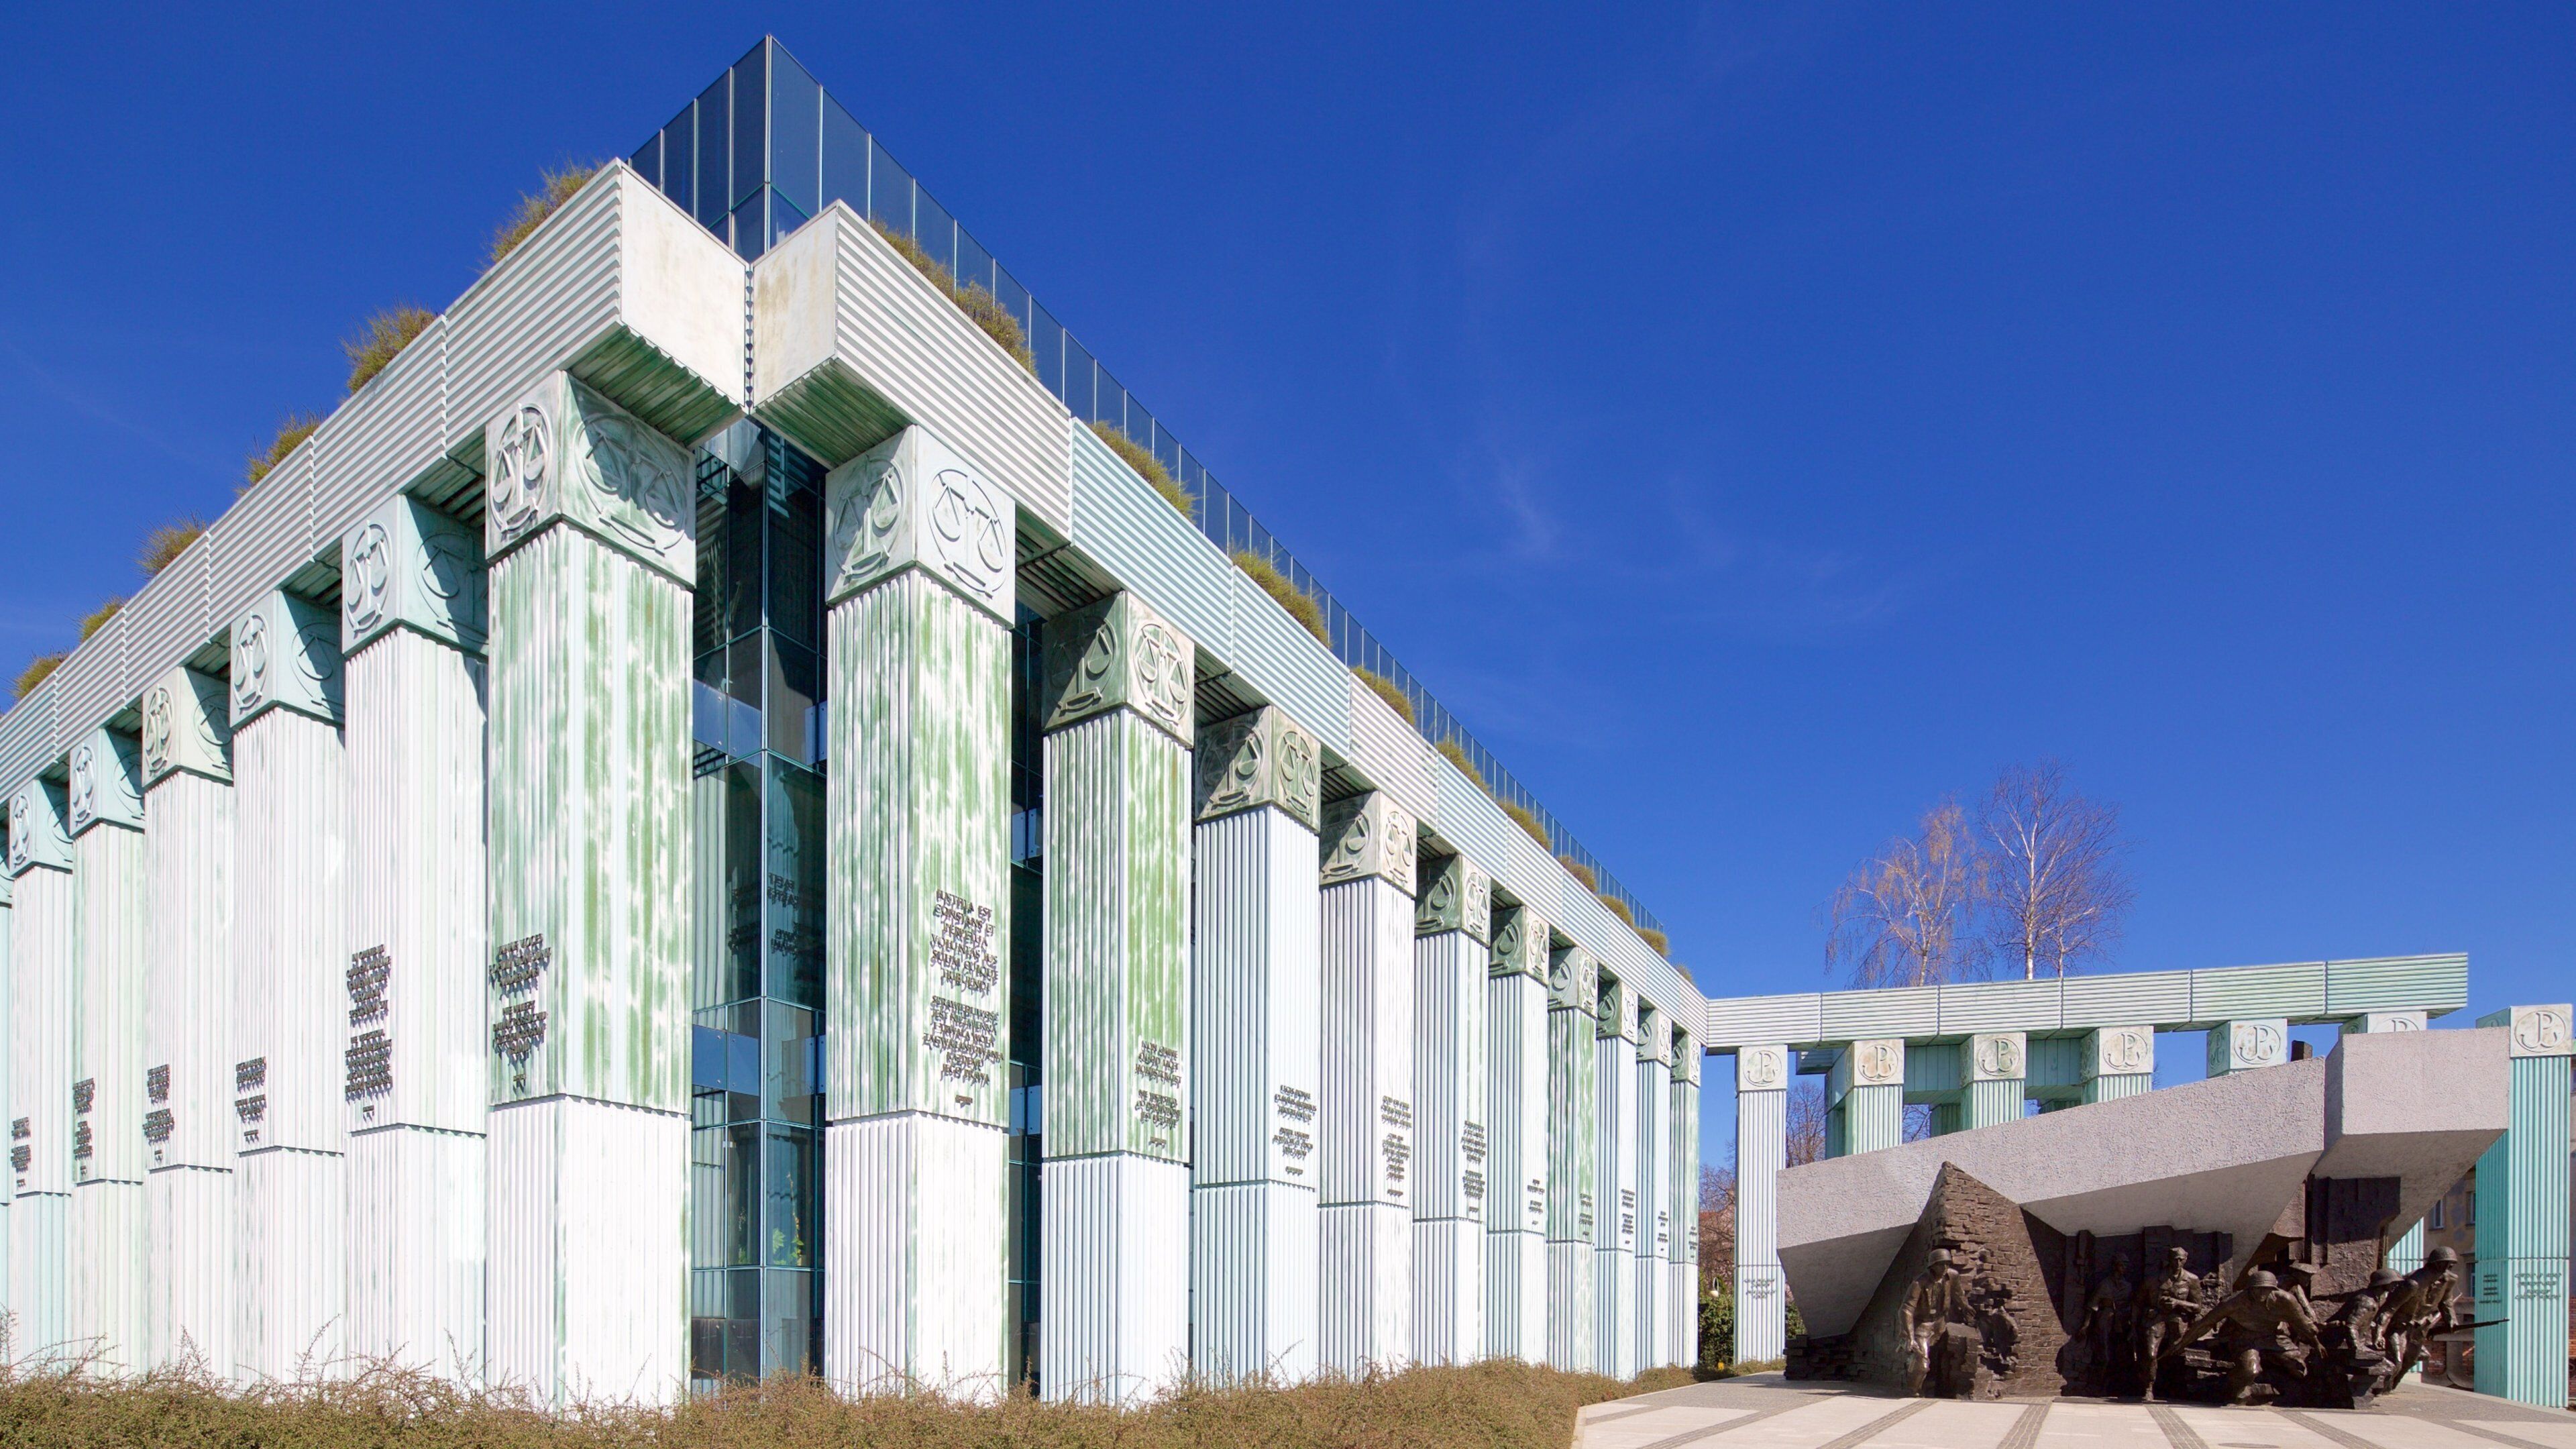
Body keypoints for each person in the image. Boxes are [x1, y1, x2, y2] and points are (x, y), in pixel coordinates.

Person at [2160, 1269, 2323, 1405]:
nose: (2261, 1293)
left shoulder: (2286, 1300)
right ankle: (2235, 1390)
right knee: (2250, 1370)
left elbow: (2302, 1324)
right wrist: (2181, 1344)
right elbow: (2206, 1324)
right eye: (2258, 1288)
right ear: (2250, 1288)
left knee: (2300, 1370)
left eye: (2266, 1289)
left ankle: (2262, 1390)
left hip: (2274, 1337)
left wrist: (2317, 1344)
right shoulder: (2235, 1301)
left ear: (2274, 1290)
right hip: (2245, 1337)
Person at [1904, 1247, 1980, 1397]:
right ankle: (1914, 1391)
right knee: (1922, 1364)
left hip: (1940, 1322)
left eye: (1947, 1264)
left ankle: (1950, 1390)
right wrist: (1910, 1336)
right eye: (1941, 1264)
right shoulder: (1919, 1283)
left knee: (1951, 1352)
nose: (1945, 1267)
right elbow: (1907, 1309)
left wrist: (1965, 1306)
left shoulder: (1952, 1276)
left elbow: (1958, 1294)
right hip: (1922, 1325)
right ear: (1932, 1266)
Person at [2132, 1247, 2202, 1399]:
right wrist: (2133, 1326)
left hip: (2178, 1320)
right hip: (2156, 1318)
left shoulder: (2192, 1280)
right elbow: (2137, 1303)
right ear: (2169, 1259)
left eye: (2181, 1259)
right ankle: (2148, 1388)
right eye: (2175, 1259)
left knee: (2176, 1354)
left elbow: (2198, 1307)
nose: (2178, 1262)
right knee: (2151, 1354)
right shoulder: (2153, 1279)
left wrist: (2178, 1303)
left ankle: (2176, 1388)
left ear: (2186, 1259)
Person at [2078, 1254, 2135, 1390]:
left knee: (2120, 1355)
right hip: (2105, 1320)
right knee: (2104, 1354)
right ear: (2115, 1266)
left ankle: (2115, 1386)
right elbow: (2092, 1306)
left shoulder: (2128, 1286)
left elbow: (2132, 1306)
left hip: (2121, 1323)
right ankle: (2098, 1385)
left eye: (2126, 1265)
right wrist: (2085, 1326)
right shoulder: (2105, 1284)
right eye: (2122, 1264)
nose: (2124, 1268)